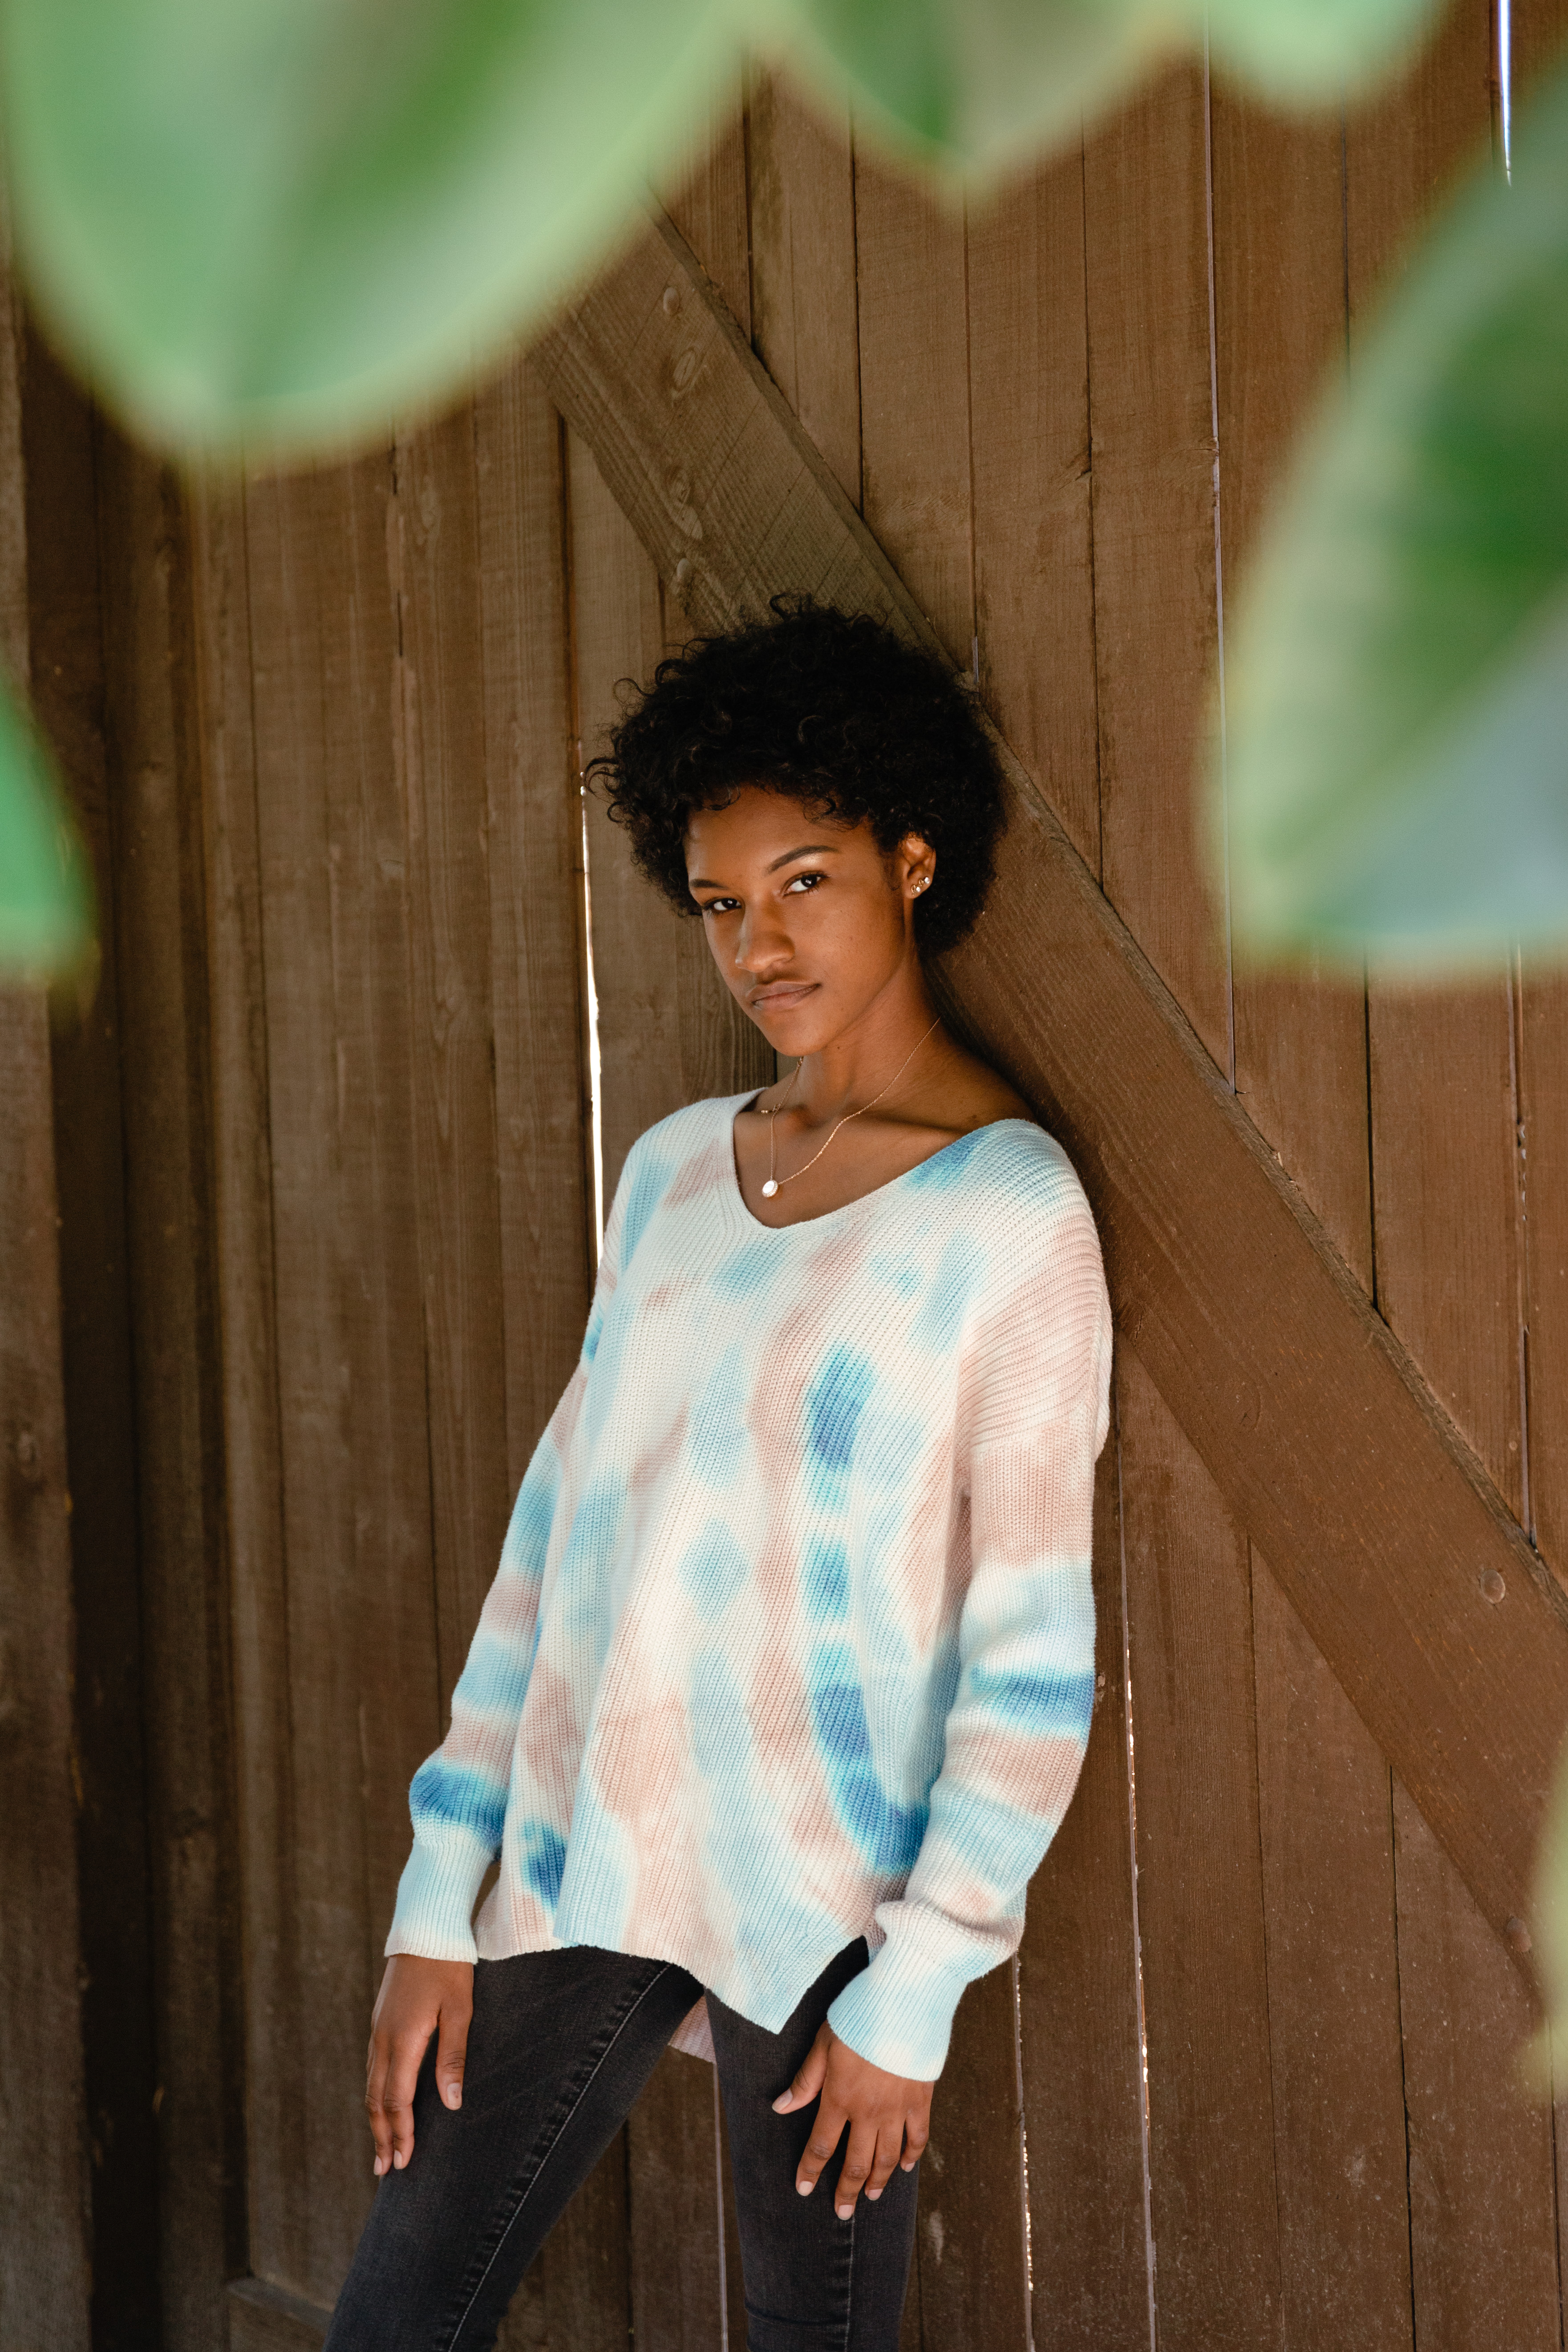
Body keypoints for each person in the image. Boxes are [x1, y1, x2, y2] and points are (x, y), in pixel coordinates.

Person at [324, 600, 1113, 2351]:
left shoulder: (1005, 1212)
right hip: (583, 1848)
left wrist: (918, 1983)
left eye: (804, 881)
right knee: (391, 2318)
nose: (759, 942)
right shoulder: (676, 1171)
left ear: (912, 860)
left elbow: (1029, 1654)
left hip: (828, 1907)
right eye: (718, 902)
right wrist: (436, 1895)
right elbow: (554, 1544)